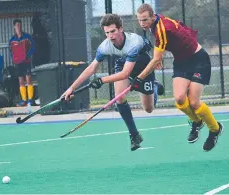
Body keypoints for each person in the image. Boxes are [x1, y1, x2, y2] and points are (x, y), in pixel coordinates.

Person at [62, 14, 163, 151]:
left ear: (120, 29)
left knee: (149, 109)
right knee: (119, 97)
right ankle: (134, 135)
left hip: (142, 66)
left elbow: (126, 74)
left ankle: (155, 86)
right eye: (107, 32)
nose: (110, 36)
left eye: (113, 31)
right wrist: (71, 88)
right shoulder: (105, 46)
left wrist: (102, 80)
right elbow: (92, 68)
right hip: (123, 63)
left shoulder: (134, 43)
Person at [133, 3, 223, 151]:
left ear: (153, 17)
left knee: (194, 103)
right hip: (181, 62)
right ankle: (197, 121)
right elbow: (172, 38)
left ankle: (214, 130)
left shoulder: (161, 28)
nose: (142, 23)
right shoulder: (155, 25)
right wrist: (159, 56)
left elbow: (156, 57)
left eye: (145, 20)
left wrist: (140, 78)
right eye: (140, 20)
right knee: (180, 99)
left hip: (198, 60)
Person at [9, 19, 35, 107]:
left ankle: (30, 100)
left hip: (26, 61)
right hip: (18, 63)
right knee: (21, 81)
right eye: (17, 25)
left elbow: (33, 47)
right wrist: (14, 58)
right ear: (14, 27)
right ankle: (24, 100)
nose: (18, 27)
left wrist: (28, 55)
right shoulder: (12, 40)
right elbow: (11, 51)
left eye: (20, 25)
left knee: (28, 79)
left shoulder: (27, 37)